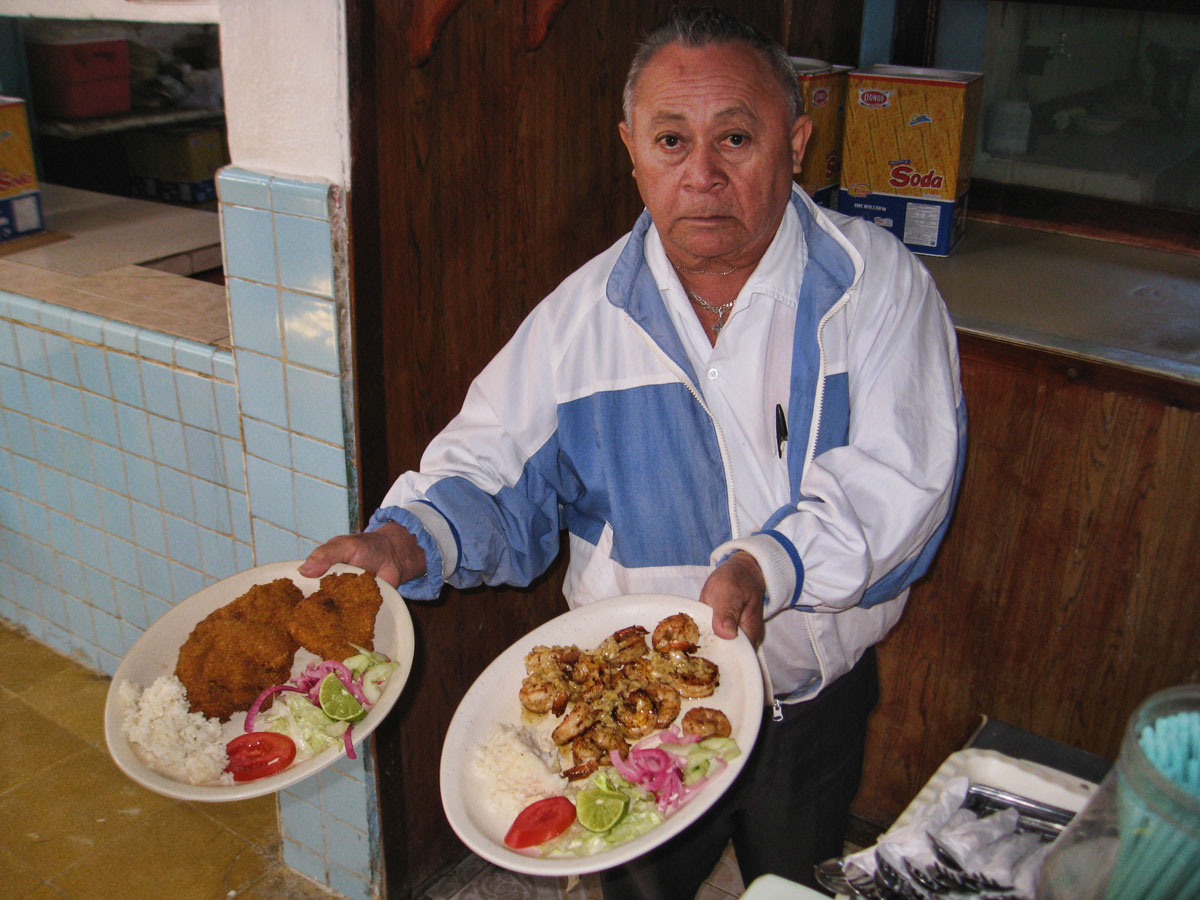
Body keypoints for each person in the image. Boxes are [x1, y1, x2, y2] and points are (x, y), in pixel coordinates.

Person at [302, 6, 965, 897]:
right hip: (637, 714)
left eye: (736, 138)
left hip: (808, 701)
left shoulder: (874, 289)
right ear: (631, 150)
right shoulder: (580, 321)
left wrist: (769, 565)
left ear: (797, 143)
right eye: (670, 140)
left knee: (794, 885)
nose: (702, 174)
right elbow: (492, 470)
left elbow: (903, 479)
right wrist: (405, 539)